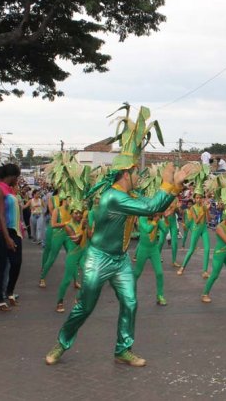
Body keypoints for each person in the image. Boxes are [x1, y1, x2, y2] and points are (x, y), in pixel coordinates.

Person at [45, 106, 196, 367]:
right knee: (85, 307)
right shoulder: (114, 197)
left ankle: (123, 349)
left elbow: (155, 206)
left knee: (131, 303)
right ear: (127, 174)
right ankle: (61, 343)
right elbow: (151, 207)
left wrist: (176, 184)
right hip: (98, 258)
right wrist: (169, 183)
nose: (139, 176)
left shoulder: (128, 196)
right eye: (137, 172)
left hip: (120, 259)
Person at [0, 164, 23, 311]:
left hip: (14, 231)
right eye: (18, 177)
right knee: (1, 266)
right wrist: (7, 238)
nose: (18, 179)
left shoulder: (10, 190)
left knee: (16, 263)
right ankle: (0, 299)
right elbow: (1, 215)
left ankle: (9, 291)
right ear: (13, 176)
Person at [56, 202, 88, 313]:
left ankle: (78, 298)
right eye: (75, 213)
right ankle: (59, 301)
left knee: (88, 276)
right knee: (67, 280)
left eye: (80, 213)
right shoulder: (68, 226)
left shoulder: (84, 223)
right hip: (73, 255)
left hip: (83, 254)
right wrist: (83, 228)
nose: (78, 215)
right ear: (71, 214)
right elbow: (77, 241)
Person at [134, 213, 168, 306]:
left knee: (159, 273)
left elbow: (165, 231)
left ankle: (160, 296)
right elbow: (148, 229)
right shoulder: (142, 218)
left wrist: (166, 219)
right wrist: (156, 220)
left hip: (154, 249)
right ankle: (131, 294)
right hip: (143, 249)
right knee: (137, 273)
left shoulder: (157, 218)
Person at [177, 191, 211, 277]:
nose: (199, 199)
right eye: (197, 198)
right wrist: (203, 211)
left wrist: (207, 210)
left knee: (207, 249)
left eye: (200, 198)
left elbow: (209, 220)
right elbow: (196, 221)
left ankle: (205, 271)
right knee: (191, 250)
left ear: (202, 198)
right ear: (195, 199)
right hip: (196, 229)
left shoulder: (204, 207)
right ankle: (182, 267)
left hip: (204, 229)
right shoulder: (192, 208)